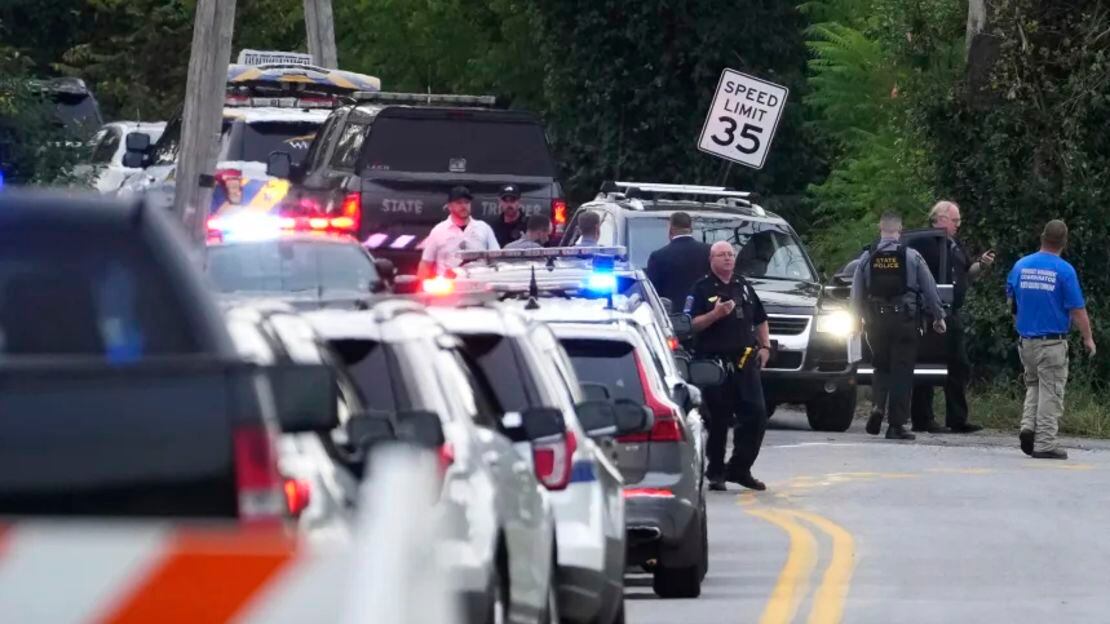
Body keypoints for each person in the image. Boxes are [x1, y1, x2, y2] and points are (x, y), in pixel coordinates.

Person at [851, 212, 946, 441]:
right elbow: (930, 289)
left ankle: (877, 406)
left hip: (876, 322)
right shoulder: (912, 256)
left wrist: (856, 320)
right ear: (900, 230)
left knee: (881, 366)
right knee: (902, 372)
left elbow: (856, 291)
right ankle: (896, 425)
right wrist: (938, 316)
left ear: (880, 228)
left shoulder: (867, 257)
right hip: (904, 321)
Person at [1006, 220, 1095, 460]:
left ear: (1042, 237)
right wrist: (1088, 338)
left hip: (1027, 341)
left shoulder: (1020, 266)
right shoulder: (1064, 270)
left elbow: (1012, 303)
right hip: (1052, 342)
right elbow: (1077, 309)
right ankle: (1045, 442)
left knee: (1033, 384)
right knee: (1051, 391)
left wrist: (1021, 326)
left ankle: (1028, 427)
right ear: (1064, 242)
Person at [689, 241, 772, 491]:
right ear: (711, 259)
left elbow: (760, 318)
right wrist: (715, 315)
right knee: (718, 419)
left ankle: (739, 468)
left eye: (730, 255)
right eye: (722, 255)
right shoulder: (701, 288)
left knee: (757, 414)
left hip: (745, 360)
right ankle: (715, 472)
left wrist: (766, 346)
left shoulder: (743, 286)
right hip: (715, 364)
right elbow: (691, 324)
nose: (728, 259)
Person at [909, 200, 995, 433]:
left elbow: (967, 273)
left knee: (959, 364)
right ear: (940, 218)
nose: (958, 225)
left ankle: (957, 418)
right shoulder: (923, 243)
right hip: (928, 313)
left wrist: (981, 265)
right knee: (925, 364)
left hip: (952, 312)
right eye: (955, 221)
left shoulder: (954, 244)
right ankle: (922, 417)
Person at [418, 186, 499, 278]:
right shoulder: (438, 231)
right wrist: (420, 287)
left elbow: (497, 259)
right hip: (447, 287)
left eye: (467, 202)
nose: (464, 206)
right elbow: (426, 263)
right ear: (449, 206)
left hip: (480, 285)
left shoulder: (484, 228)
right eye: (459, 203)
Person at [645, 212, 711, 312]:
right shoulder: (710, 251)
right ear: (691, 228)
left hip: (673, 317)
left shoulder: (658, 256)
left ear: (671, 230)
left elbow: (652, 292)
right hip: (706, 314)